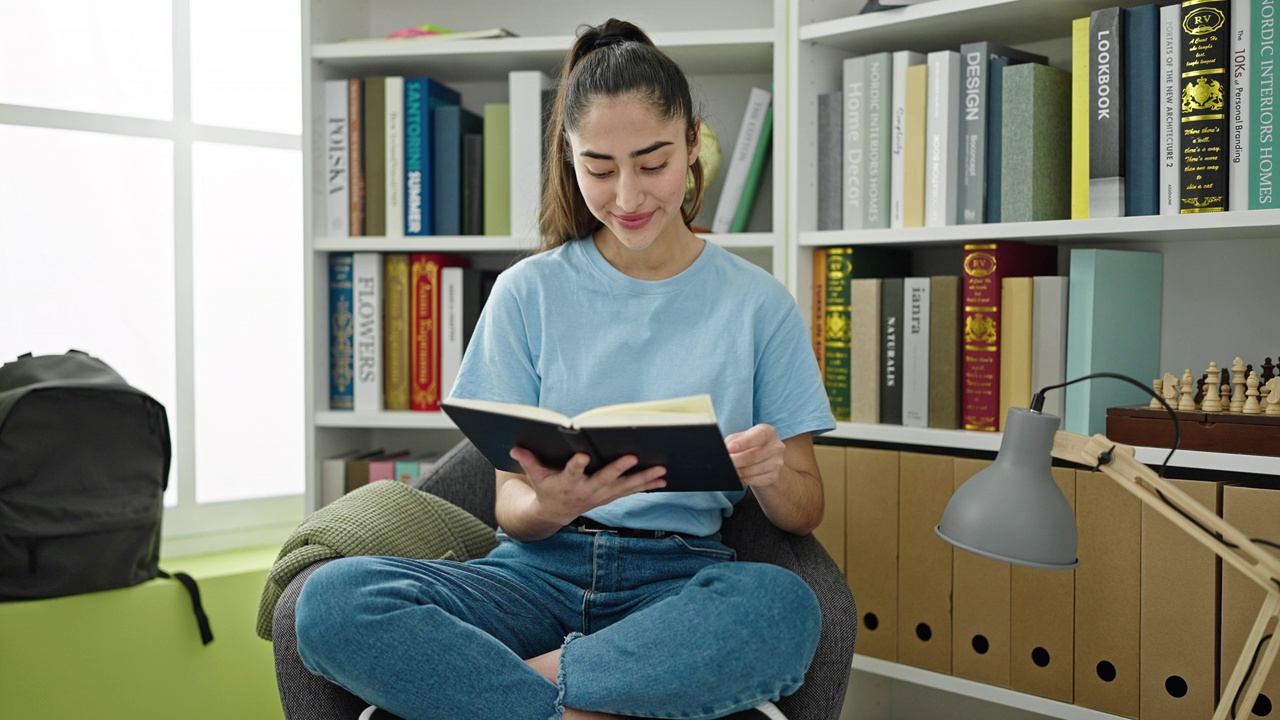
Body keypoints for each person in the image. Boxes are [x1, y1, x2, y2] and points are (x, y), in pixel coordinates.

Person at [295, 18, 835, 720]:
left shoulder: (759, 303)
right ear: (569, 157)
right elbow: (509, 505)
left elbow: (806, 507)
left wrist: (770, 473)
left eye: (653, 162)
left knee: (783, 608)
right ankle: (580, 706)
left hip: (675, 584)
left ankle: (513, 692)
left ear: (692, 141)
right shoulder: (527, 292)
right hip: (531, 576)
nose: (629, 197)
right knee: (334, 602)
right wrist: (548, 505)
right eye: (599, 169)